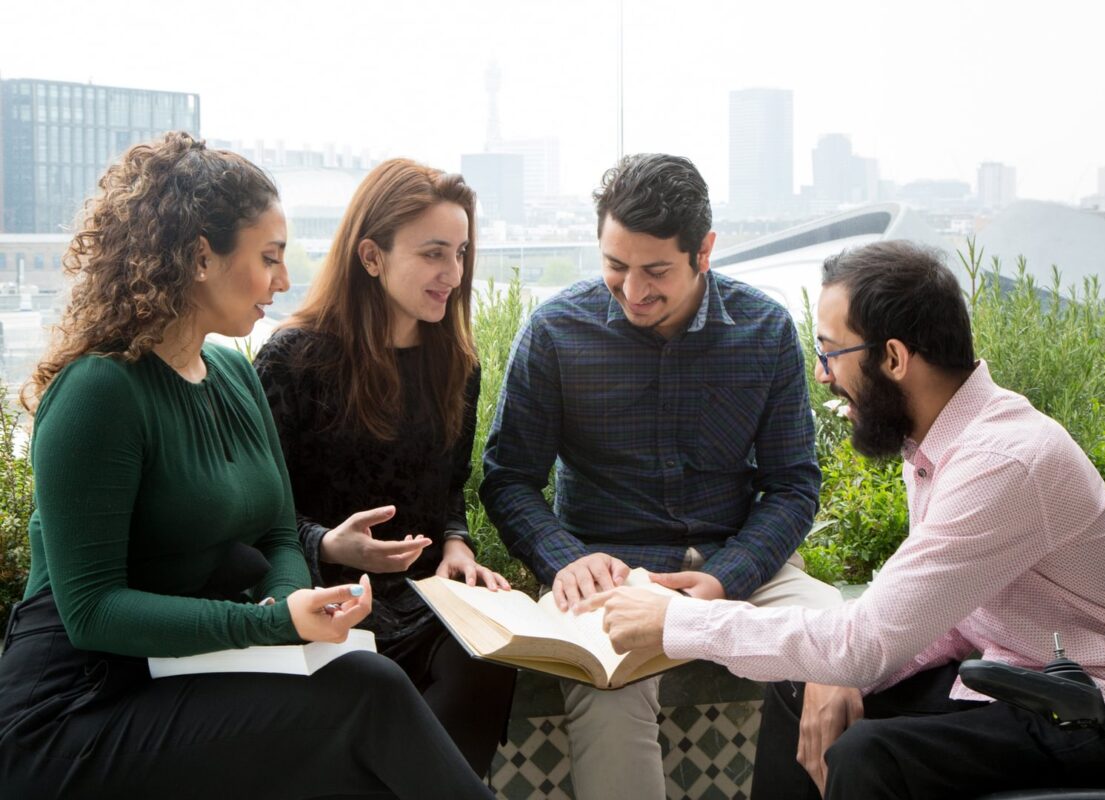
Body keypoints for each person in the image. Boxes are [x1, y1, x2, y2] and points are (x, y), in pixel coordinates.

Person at [580, 240, 1105, 798]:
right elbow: (939, 621)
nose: (823, 374)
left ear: (895, 357)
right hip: (1018, 684)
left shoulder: (1003, 462)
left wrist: (682, 622)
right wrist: (834, 670)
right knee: (804, 687)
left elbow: (867, 642)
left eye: (830, 353)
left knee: (870, 756)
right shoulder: (937, 445)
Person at [0, 132, 493, 799]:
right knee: (364, 700)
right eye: (269, 258)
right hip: (74, 708)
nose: (284, 281)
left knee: (364, 703)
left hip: (177, 671)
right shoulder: (99, 393)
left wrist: (293, 603)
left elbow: (277, 535)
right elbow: (91, 610)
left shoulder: (232, 373)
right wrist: (272, 624)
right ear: (202, 258)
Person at [480, 153, 843, 800]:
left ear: (704, 250)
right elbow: (508, 479)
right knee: (607, 689)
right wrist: (564, 560)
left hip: (741, 566)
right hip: (609, 574)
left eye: (656, 272)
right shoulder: (555, 332)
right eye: (615, 268)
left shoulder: (764, 330)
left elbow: (792, 485)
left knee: (840, 641)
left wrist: (724, 579)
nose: (633, 292)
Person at [254, 158, 516, 777]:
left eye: (460, 253)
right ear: (371, 256)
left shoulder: (458, 363)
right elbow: (256, 516)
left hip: (430, 602)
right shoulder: (294, 360)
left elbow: (450, 487)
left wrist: (456, 542)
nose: (452, 273)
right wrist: (329, 545)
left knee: (491, 657)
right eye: (432, 254)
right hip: (329, 600)